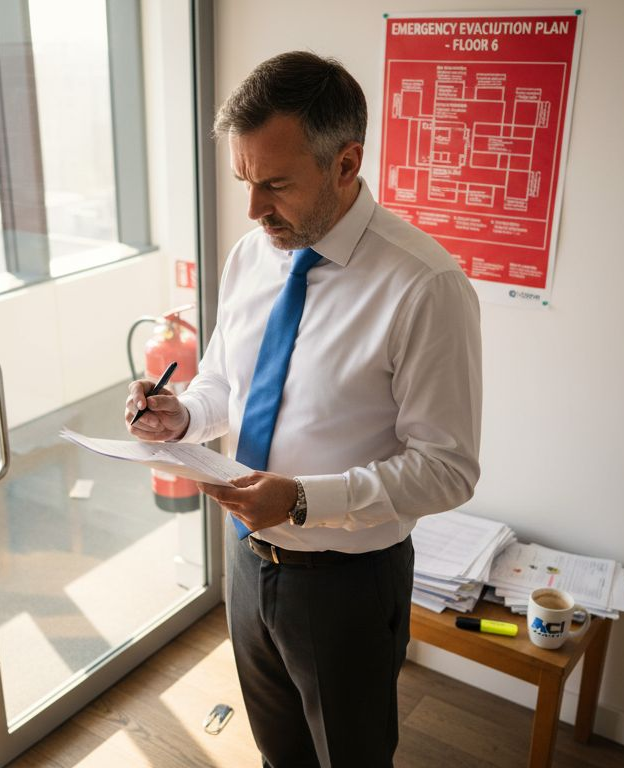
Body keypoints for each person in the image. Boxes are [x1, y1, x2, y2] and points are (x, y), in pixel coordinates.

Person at [124, 50, 482, 767]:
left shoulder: (425, 286)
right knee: (278, 754)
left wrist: (301, 503)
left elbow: (447, 471)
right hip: (247, 566)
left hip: (348, 584)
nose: (255, 210)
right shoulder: (253, 255)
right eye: (245, 182)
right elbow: (226, 384)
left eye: (276, 184)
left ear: (346, 164)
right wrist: (182, 416)